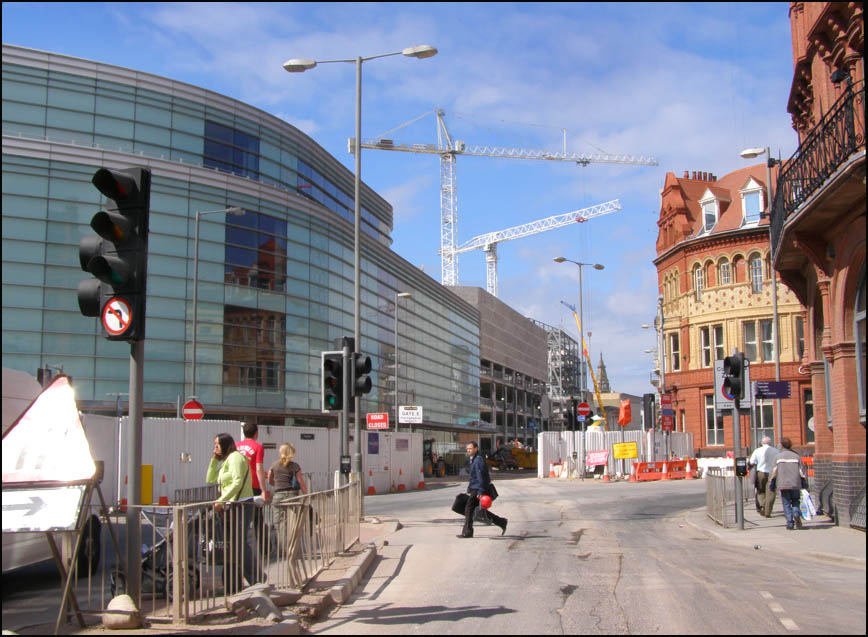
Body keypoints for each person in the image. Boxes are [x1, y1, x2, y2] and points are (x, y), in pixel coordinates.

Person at [206, 433, 256, 591]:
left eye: (217, 444)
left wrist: (222, 500)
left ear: (226, 445)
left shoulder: (235, 458)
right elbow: (210, 479)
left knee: (239, 543)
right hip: (230, 506)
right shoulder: (227, 460)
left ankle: (256, 578)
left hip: (240, 505)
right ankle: (241, 579)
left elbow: (237, 482)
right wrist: (213, 460)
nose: (215, 447)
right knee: (233, 544)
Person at [458, 441, 507, 538]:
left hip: (477, 488)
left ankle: (467, 532)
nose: (468, 450)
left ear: (476, 449)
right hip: (474, 488)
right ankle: (501, 522)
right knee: (476, 510)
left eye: (470, 448)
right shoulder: (474, 459)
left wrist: (480, 491)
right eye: (467, 449)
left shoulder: (478, 460)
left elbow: (481, 477)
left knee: (468, 509)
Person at [268, 443, 308, 549]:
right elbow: (300, 481)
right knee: (294, 523)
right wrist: (306, 495)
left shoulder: (274, 465)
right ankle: (294, 548)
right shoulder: (295, 466)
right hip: (293, 496)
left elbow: (270, 479)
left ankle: (282, 549)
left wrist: (276, 484)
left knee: (280, 524)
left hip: (278, 496)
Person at [769, 437, 806, 530]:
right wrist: (804, 483)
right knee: (796, 501)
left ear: (781, 446)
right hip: (795, 483)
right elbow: (802, 472)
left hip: (783, 484)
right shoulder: (796, 456)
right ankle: (796, 513)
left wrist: (772, 483)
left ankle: (790, 523)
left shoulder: (778, 457)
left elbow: (773, 472)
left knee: (786, 503)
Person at [748, 436, 778, 516]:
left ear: (762, 443)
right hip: (772, 473)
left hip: (761, 472)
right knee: (771, 492)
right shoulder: (776, 451)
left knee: (760, 491)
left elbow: (751, 462)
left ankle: (763, 505)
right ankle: (767, 511)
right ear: (770, 443)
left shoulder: (757, 450)